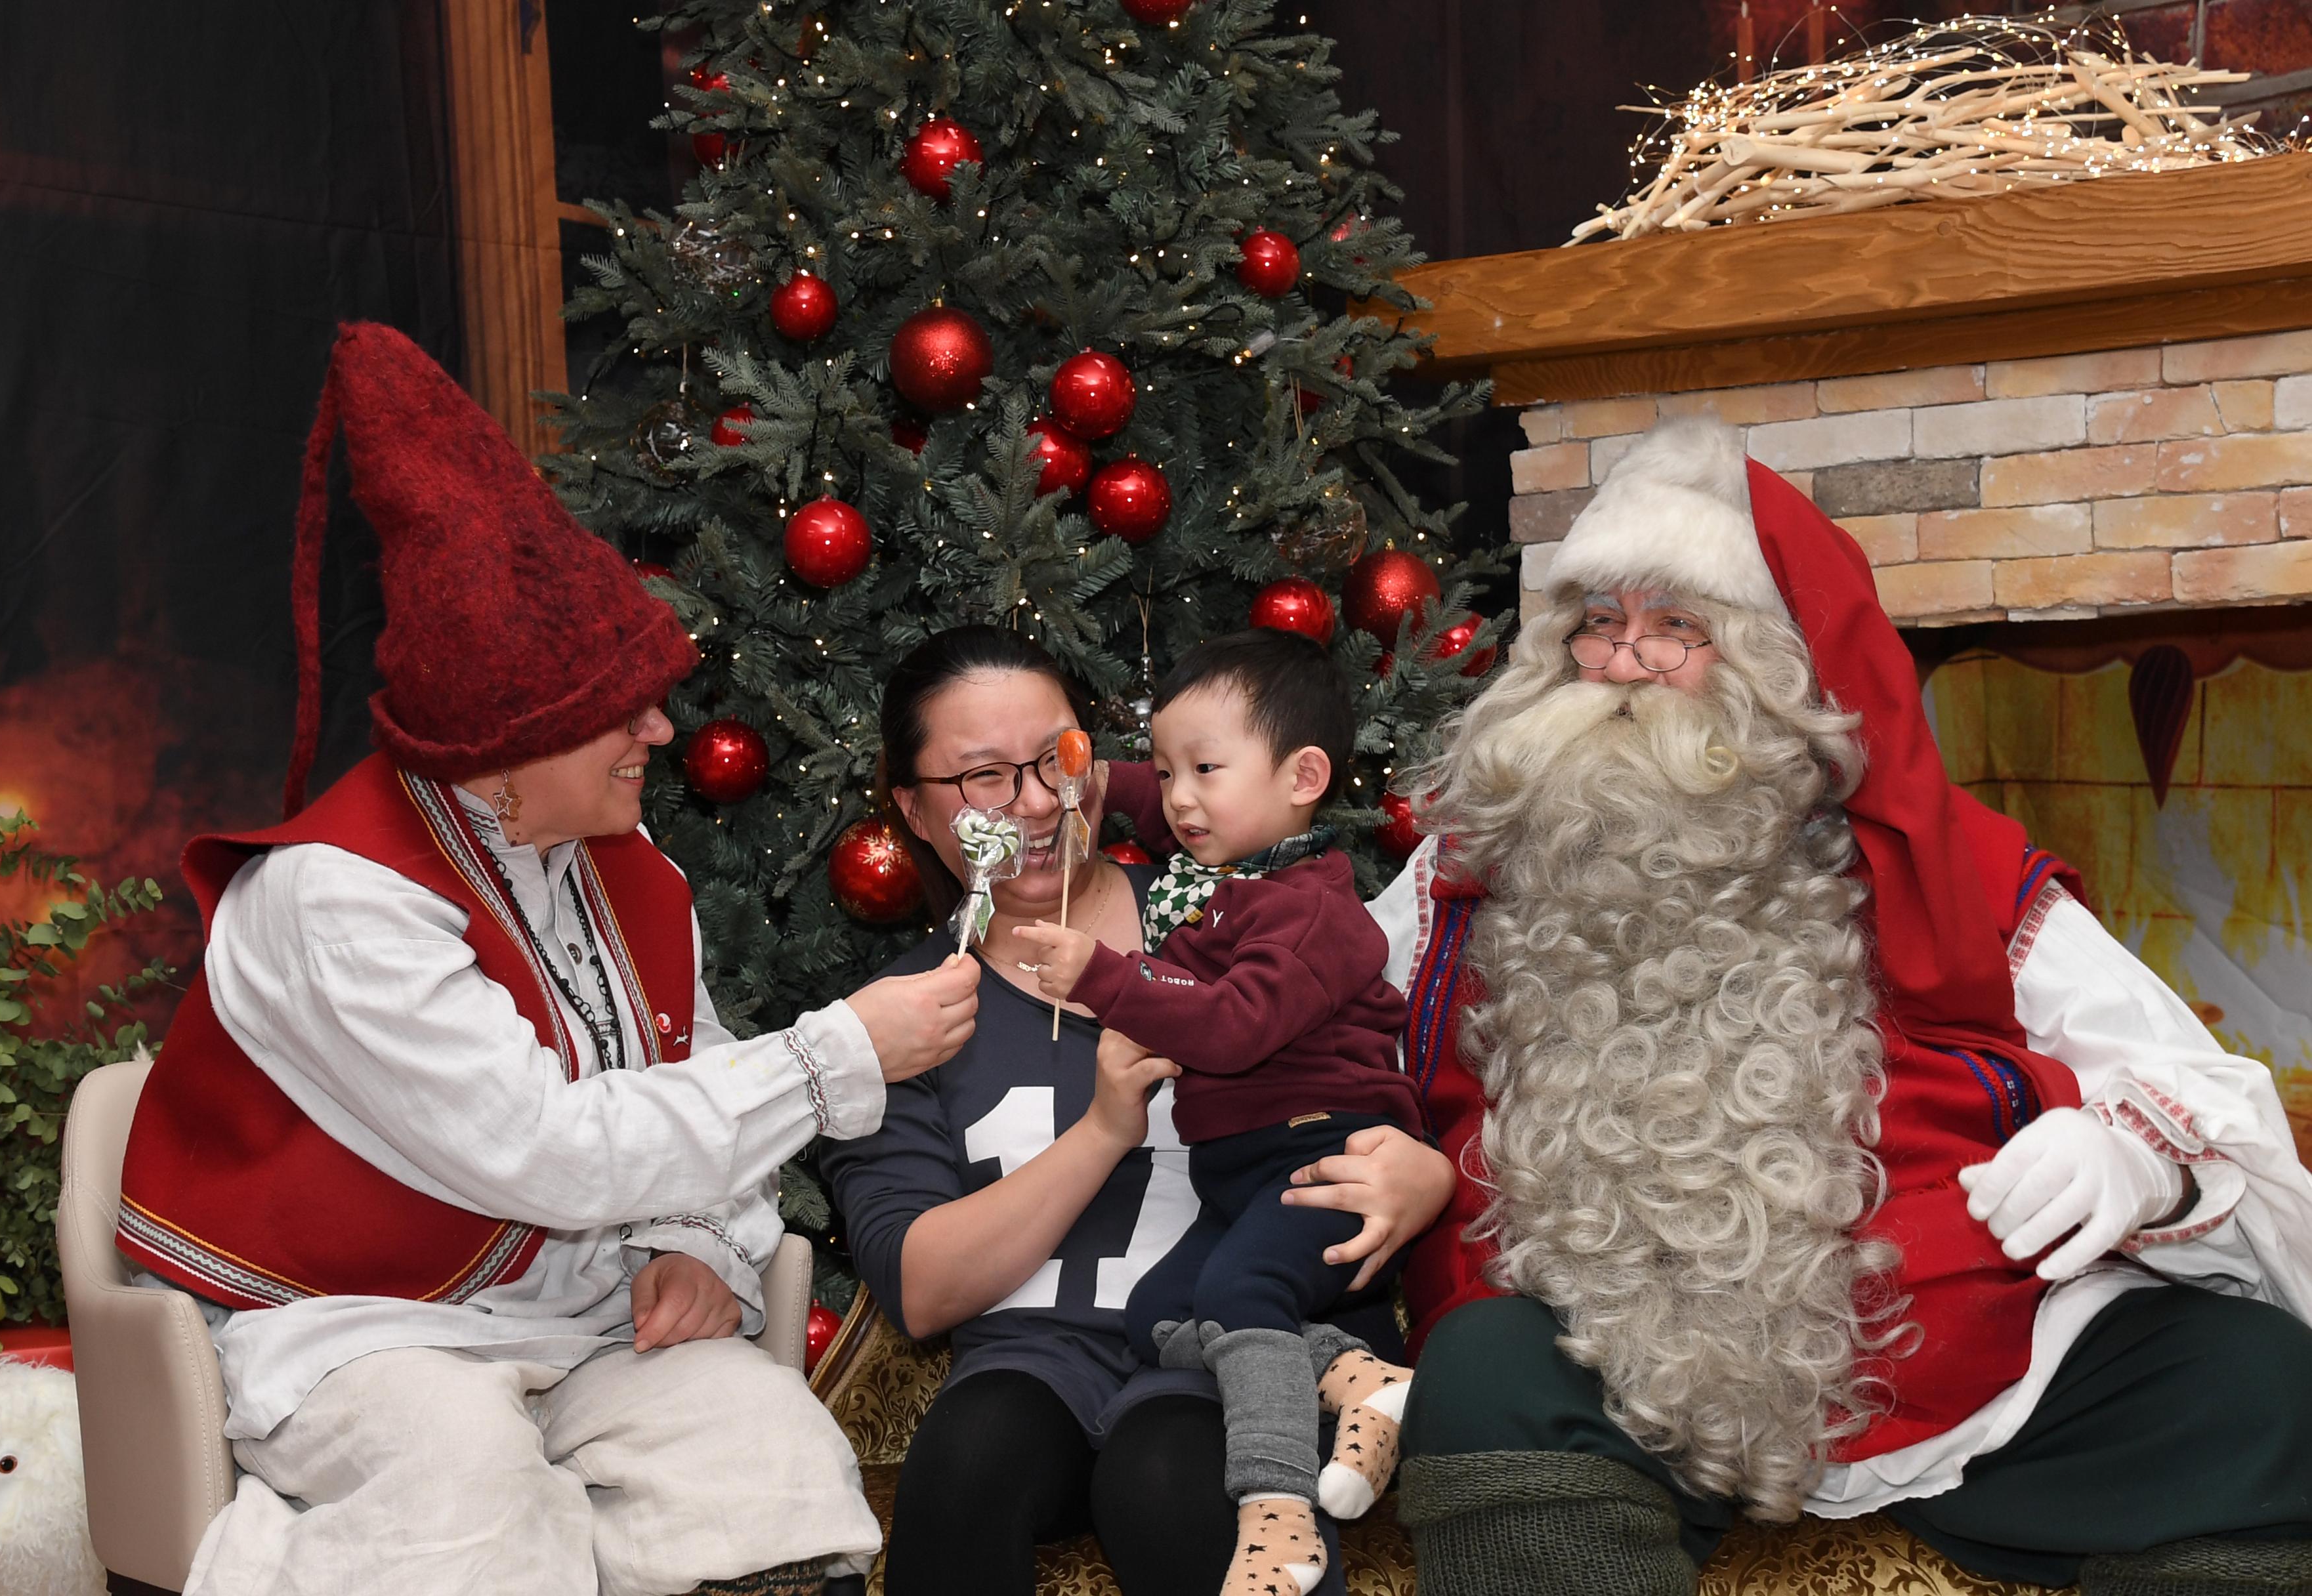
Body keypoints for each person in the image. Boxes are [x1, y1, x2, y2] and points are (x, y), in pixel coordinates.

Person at [1372, 418, 2312, 1596]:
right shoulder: (1465, 867)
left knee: (2260, 1386)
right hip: (1608, 1358)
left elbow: (2188, 1076)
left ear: (1775, 668)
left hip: (1957, 1362)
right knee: (1485, 1372)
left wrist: (2132, 1156)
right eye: (1599, 627)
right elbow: (1298, 1032)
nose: (1624, 664)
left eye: (1677, 631)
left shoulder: (1945, 859)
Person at [117, 323, 981, 1596]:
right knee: (468, 1487)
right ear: (505, 744)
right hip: (341, 1322)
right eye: (618, 712)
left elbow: (696, 1071)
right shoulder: (336, 899)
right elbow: (540, 1144)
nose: (660, 728)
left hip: (578, 1312)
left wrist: (699, 1237)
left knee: (774, 1462)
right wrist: (843, 1052)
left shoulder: (635, 874)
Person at [818, 625, 1457, 1596]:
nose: (1035, 803)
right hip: (1034, 1365)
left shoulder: (1238, 908)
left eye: (1056, 760)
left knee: (1164, 1479)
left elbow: (1366, 1067)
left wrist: (1425, 1169)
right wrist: (1105, 1130)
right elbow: (921, 1288)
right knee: (964, 1464)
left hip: (1241, 1356)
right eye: (984, 777)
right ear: (910, 807)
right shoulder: (897, 1019)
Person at [1013, 629, 1425, 1596]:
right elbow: (1146, 793)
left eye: (1202, 770)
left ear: (1304, 777)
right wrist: (1086, 778)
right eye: (1168, 769)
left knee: (1242, 1300)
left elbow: (1235, 1030)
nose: (1178, 798)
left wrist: (1106, 977)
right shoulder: (1235, 852)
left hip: (1321, 1157)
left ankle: (1278, 1516)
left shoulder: (1314, 912)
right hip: (1246, 1173)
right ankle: (1358, 1379)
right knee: (1159, 1311)